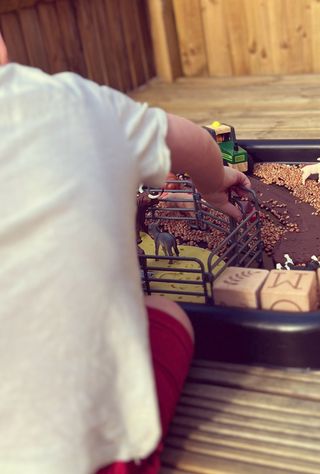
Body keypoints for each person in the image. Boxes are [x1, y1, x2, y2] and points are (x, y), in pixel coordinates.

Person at [0, 33, 250, 474]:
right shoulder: (80, 101)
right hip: (90, 458)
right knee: (166, 312)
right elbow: (191, 142)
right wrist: (213, 184)